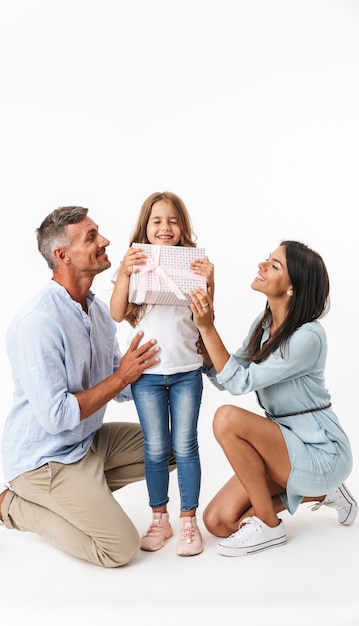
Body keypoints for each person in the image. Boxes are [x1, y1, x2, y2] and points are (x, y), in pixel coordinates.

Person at [0, 205, 177, 568]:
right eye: (91, 237)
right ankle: (4, 505)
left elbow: (121, 382)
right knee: (119, 549)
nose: (105, 241)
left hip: (86, 443)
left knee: (170, 448)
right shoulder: (38, 322)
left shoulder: (96, 311)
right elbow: (59, 416)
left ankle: (80, 498)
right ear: (62, 256)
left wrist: (176, 364)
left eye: (99, 233)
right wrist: (121, 377)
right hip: (44, 460)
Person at [189, 240, 357, 557]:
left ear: (293, 288)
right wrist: (203, 335)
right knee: (219, 522)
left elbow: (240, 382)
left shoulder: (309, 336)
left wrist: (209, 327)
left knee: (226, 418)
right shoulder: (265, 324)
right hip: (283, 447)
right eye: (267, 260)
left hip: (321, 452)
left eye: (274, 265)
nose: (262, 266)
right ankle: (320, 494)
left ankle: (270, 526)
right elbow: (231, 370)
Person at [110, 191, 214, 556]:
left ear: (183, 227)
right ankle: (160, 518)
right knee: (155, 449)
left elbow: (207, 320)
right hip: (147, 376)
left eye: (172, 221)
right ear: (145, 226)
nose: (165, 227)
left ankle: (189, 520)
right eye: (157, 221)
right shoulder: (135, 263)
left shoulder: (196, 265)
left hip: (187, 371)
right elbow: (117, 313)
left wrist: (210, 282)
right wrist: (124, 271)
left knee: (185, 446)